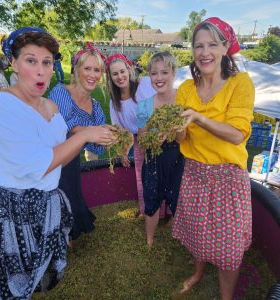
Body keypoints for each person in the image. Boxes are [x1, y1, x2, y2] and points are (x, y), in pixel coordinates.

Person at [0, 27, 115, 300]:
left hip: (41, 203)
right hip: (6, 210)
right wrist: (87, 133)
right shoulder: (1, 104)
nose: (41, 71)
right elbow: (37, 164)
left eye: (47, 62)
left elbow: (68, 136)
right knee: (6, 285)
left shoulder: (49, 106)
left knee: (31, 276)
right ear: (13, 64)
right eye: (31, 61)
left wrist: (99, 136)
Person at [172, 17, 255, 299]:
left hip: (227, 178)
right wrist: (178, 129)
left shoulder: (240, 84)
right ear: (192, 51)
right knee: (197, 232)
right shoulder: (184, 90)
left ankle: (225, 297)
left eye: (211, 44)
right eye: (198, 46)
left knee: (229, 247)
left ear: (224, 47)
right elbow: (181, 139)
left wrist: (198, 117)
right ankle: (198, 272)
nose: (204, 52)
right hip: (194, 173)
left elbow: (236, 134)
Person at [48, 42, 107, 242]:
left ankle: (68, 236)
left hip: (71, 160)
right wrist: (95, 132)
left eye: (97, 70)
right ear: (76, 69)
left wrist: (111, 136)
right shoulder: (60, 92)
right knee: (54, 197)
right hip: (50, 157)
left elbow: (95, 145)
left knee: (71, 193)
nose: (92, 75)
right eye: (87, 68)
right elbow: (68, 125)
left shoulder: (97, 106)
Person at [106, 53, 172, 222]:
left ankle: (168, 213)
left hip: (162, 136)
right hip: (139, 143)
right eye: (115, 74)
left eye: (122, 71)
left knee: (166, 174)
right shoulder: (115, 102)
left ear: (129, 70)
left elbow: (163, 98)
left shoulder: (143, 84)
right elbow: (121, 131)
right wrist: (123, 151)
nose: (120, 76)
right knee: (144, 178)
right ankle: (148, 211)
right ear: (110, 77)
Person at [137, 51, 185, 247]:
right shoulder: (144, 106)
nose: (159, 78)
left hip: (177, 157)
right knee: (152, 197)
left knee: (177, 197)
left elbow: (184, 139)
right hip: (153, 159)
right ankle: (149, 238)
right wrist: (152, 137)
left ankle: (178, 233)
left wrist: (173, 130)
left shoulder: (183, 102)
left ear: (173, 73)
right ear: (149, 76)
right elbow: (141, 140)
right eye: (154, 73)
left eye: (164, 72)